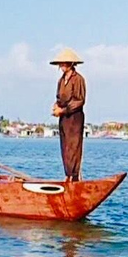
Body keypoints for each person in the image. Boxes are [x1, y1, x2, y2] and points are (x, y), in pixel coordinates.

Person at [50, 47, 86, 181]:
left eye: (64, 63)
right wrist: (56, 105)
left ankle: (74, 176)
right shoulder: (61, 80)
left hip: (75, 118)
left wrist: (63, 110)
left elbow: (79, 101)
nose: (62, 66)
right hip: (64, 118)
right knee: (64, 146)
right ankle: (68, 175)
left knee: (73, 146)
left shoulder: (78, 80)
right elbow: (59, 97)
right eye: (61, 63)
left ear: (71, 64)